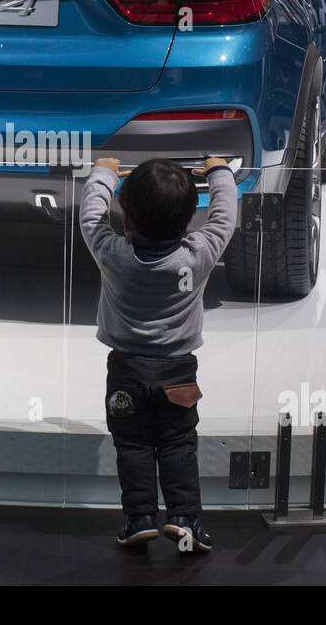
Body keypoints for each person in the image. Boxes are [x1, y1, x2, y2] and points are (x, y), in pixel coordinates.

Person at [79, 155, 236, 553]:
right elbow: (224, 217)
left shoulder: (112, 252)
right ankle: (185, 519)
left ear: (127, 220)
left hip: (126, 369)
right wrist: (219, 172)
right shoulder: (199, 253)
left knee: (132, 446)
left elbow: (91, 216)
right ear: (187, 219)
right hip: (179, 371)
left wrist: (105, 173)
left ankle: (139, 519)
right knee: (178, 444)